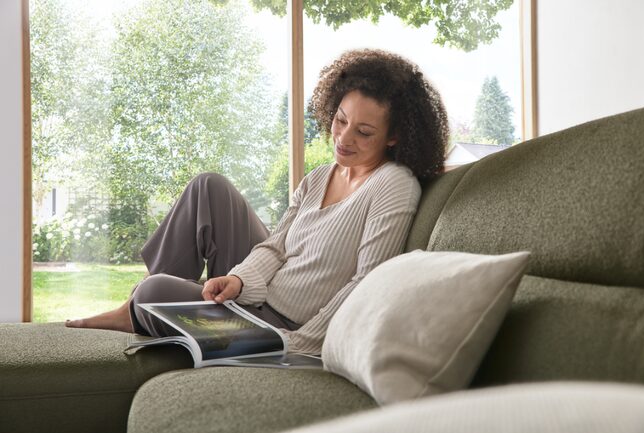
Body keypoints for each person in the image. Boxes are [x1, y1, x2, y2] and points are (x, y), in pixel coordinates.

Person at [66, 48, 449, 355]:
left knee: (155, 294)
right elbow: (276, 246)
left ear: (395, 136)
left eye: (364, 132)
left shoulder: (393, 185)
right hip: (256, 300)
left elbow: (366, 283)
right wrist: (235, 280)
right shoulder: (318, 177)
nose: (344, 138)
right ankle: (135, 309)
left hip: (284, 326)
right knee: (208, 186)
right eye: (340, 120)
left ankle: (135, 310)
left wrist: (300, 344)